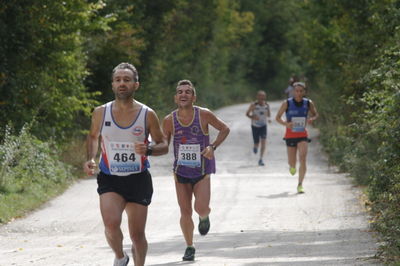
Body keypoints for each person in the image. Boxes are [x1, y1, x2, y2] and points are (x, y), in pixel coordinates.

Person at [83, 62, 168, 266]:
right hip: (110, 177)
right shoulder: (100, 112)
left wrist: (148, 150)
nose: (122, 83)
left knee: (137, 235)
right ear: (112, 85)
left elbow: (163, 144)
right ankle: (120, 257)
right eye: (118, 80)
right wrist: (90, 159)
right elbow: (93, 136)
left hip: (138, 179)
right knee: (111, 225)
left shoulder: (147, 114)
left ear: (136, 85)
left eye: (127, 80)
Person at [162, 80, 230, 261]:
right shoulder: (169, 120)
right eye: (180, 92)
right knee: (185, 211)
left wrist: (212, 147)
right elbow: (162, 145)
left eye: (187, 92)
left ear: (194, 97)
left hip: (202, 170)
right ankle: (189, 246)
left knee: (200, 207)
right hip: (181, 171)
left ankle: (204, 216)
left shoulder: (204, 115)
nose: (183, 94)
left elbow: (225, 128)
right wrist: (145, 148)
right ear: (175, 98)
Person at [275, 82, 318, 193]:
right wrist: (286, 124)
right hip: (290, 135)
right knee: (292, 163)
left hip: (302, 134)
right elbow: (277, 118)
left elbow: (315, 114)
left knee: (303, 158)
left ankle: (300, 184)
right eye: (297, 91)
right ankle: (292, 166)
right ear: (293, 92)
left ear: (304, 92)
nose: (298, 93)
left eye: (301, 91)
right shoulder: (287, 103)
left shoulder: (308, 103)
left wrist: (311, 119)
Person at [245, 90, 271, 166]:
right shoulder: (253, 105)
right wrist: (252, 117)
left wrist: (269, 120)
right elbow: (247, 114)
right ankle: (255, 146)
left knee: (263, 142)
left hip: (263, 126)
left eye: (263, 96)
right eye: (260, 96)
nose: (262, 98)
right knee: (256, 142)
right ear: (257, 97)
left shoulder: (267, 105)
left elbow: (269, 115)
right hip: (255, 126)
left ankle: (261, 159)